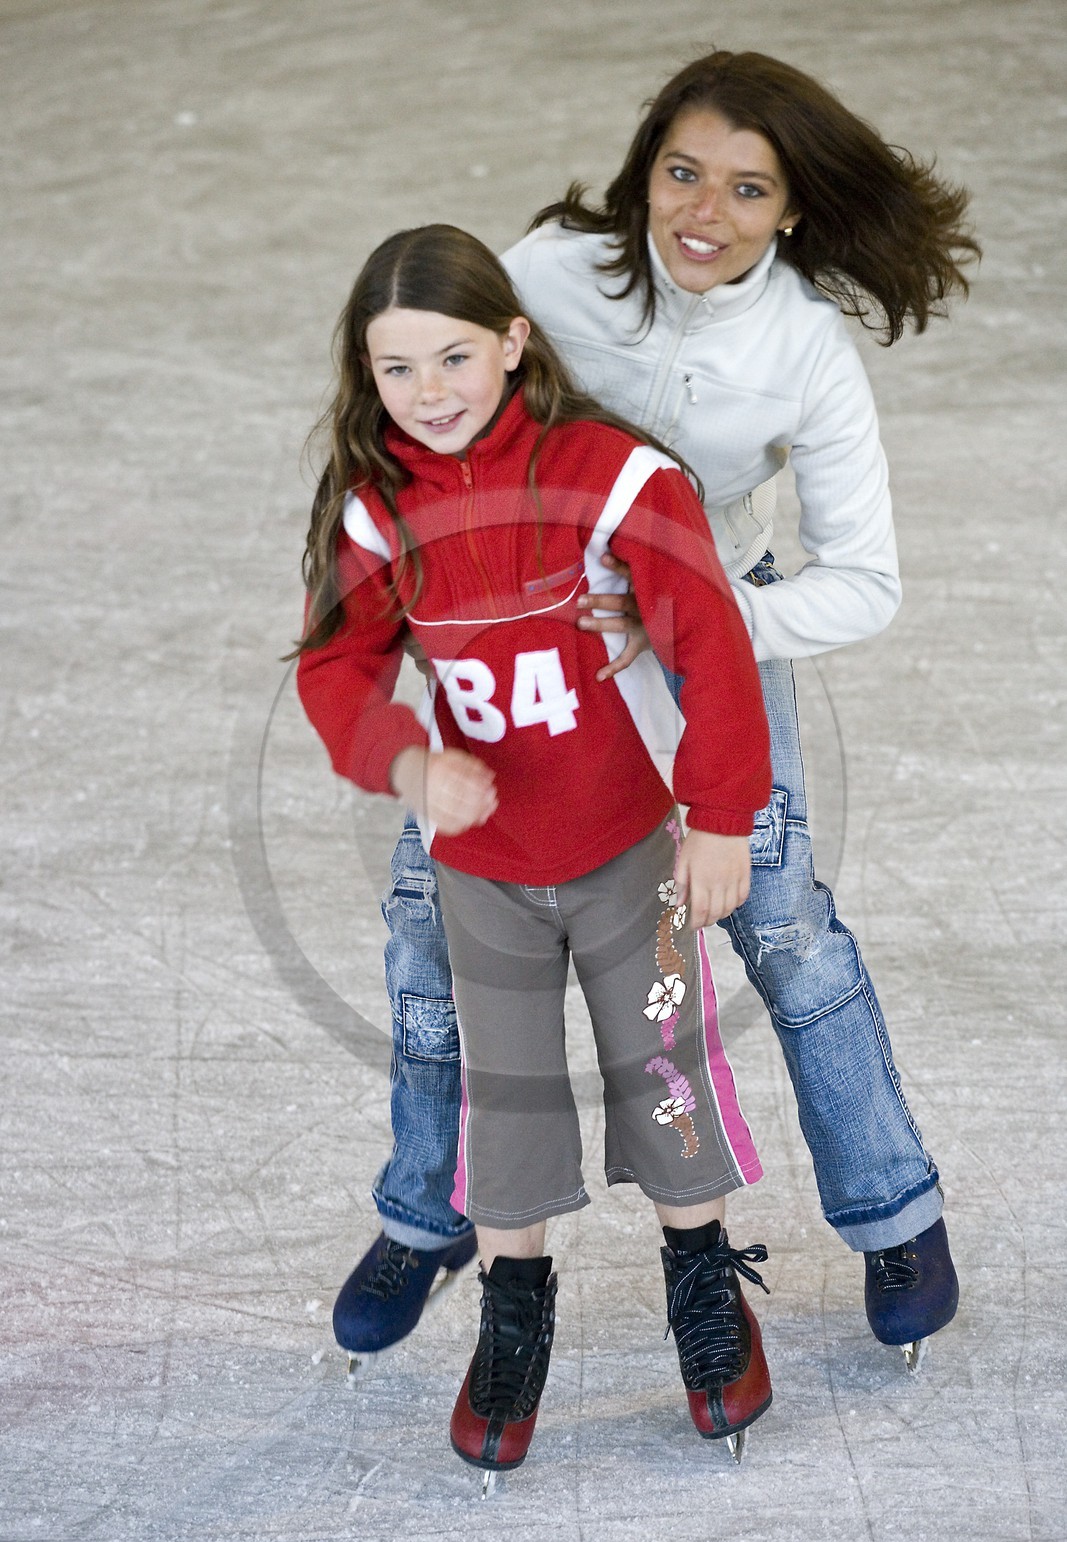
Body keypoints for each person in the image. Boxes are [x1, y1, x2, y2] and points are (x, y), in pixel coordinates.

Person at [334, 50, 979, 1377]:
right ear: (643, 171)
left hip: (702, 643)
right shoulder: (551, 274)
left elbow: (863, 580)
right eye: (682, 172)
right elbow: (442, 391)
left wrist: (693, 614)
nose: (703, 211)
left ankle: (891, 1212)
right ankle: (429, 1211)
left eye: (748, 188)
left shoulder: (802, 349)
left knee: (780, 923)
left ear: (790, 208)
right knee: (430, 924)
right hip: (524, 650)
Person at [295, 222, 777, 1477]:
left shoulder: (610, 477)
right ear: (366, 374)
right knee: (503, 1096)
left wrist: (721, 814)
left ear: (513, 342)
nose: (429, 391)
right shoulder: (377, 512)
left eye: (453, 356)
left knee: (663, 1071)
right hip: (484, 874)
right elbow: (336, 667)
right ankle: (512, 1313)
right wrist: (407, 761)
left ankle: (701, 1281)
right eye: (397, 368)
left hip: (630, 851)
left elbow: (709, 642)